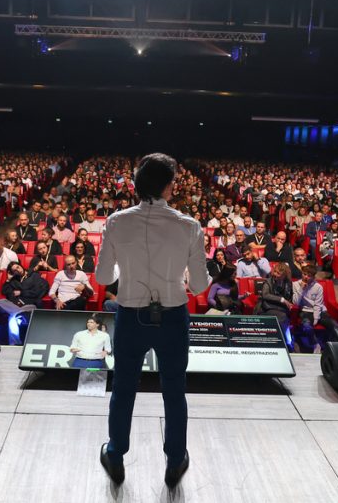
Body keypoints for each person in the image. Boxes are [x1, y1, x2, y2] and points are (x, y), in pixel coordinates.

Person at [96, 153, 207, 487]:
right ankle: (175, 461)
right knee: (174, 391)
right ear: (169, 186)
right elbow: (199, 285)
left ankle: (115, 455)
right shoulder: (189, 225)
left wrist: (127, 270)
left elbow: (103, 277)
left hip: (130, 316)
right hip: (173, 316)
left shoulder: (116, 221)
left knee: (123, 389)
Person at [295, 264, 338, 352]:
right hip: (305, 311)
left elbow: (318, 304)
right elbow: (296, 302)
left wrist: (316, 318)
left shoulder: (318, 287)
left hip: (320, 311)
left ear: (313, 277)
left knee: (336, 326)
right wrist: (301, 289)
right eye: (304, 274)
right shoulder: (296, 284)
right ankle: (315, 344)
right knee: (307, 327)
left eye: (309, 276)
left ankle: (332, 346)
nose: (306, 277)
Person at [254, 262, 295, 337]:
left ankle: (284, 339)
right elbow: (265, 295)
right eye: (275, 271)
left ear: (284, 275)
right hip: (266, 308)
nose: (275, 274)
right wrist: (282, 299)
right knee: (282, 317)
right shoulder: (268, 281)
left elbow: (290, 298)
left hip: (281, 308)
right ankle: (283, 339)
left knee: (285, 317)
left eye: (278, 273)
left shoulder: (288, 283)